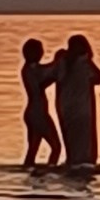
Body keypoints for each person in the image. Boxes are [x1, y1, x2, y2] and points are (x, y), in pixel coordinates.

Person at [53, 33, 100, 170]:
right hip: (82, 109)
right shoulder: (83, 63)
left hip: (67, 108)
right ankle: (82, 165)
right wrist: (89, 60)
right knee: (84, 143)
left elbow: (51, 76)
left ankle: (73, 164)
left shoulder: (62, 62)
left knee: (71, 142)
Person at [19, 38, 61, 170]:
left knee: (32, 149)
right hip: (38, 114)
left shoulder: (29, 69)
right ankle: (51, 171)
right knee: (56, 147)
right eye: (39, 50)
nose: (42, 53)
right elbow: (46, 75)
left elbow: (46, 77)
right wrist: (58, 62)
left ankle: (29, 172)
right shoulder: (31, 69)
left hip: (33, 113)